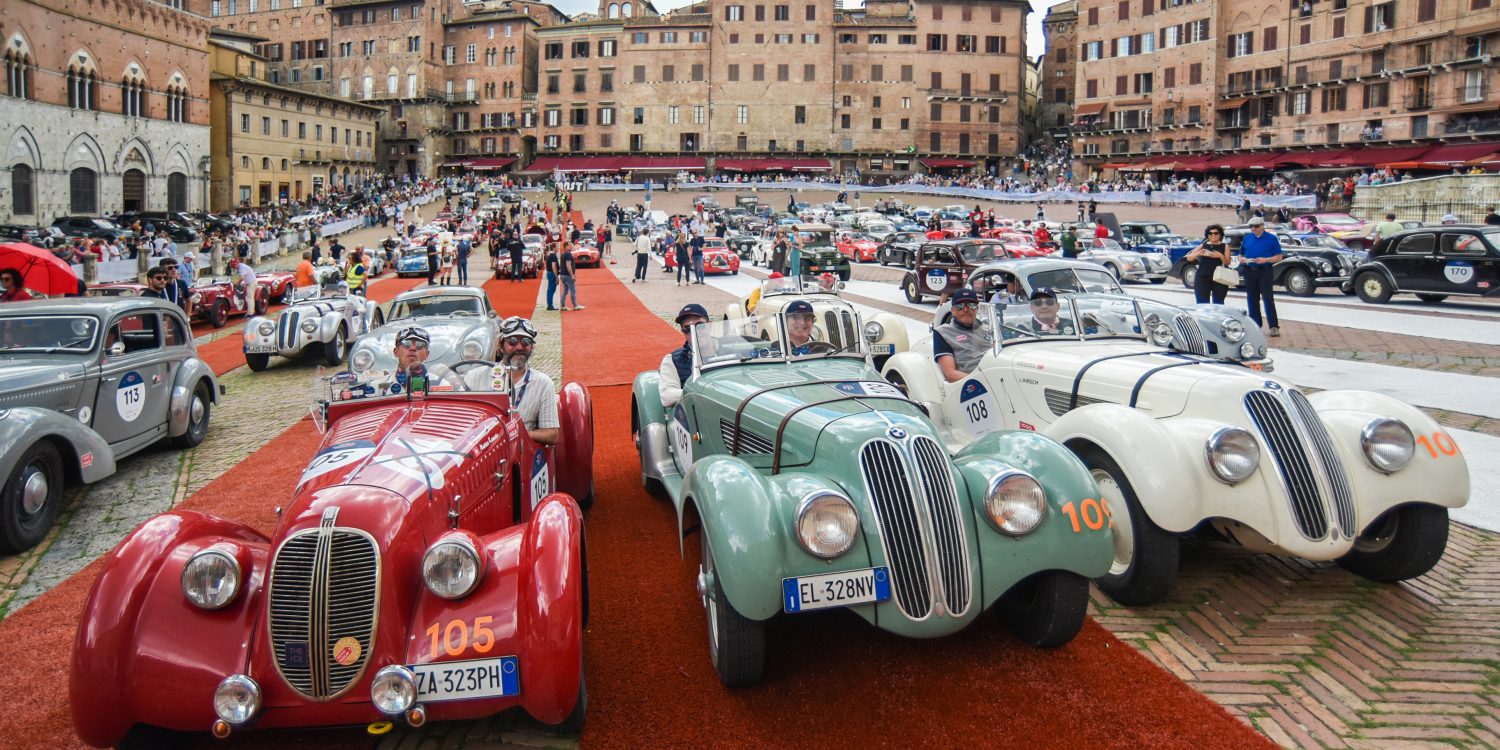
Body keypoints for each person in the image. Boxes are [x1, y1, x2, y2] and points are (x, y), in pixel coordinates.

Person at [463, 317, 559, 445]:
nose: (519, 347)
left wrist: (516, 432)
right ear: (501, 346)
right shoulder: (474, 376)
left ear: (531, 348)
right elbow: (462, 423)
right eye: (512, 341)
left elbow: (552, 434)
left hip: (522, 453)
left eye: (525, 342)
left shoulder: (543, 383)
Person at [933, 289, 993, 382]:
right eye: (960, 306)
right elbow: (950, 374)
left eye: (971, 305)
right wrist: (985, 381)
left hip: (997, 375)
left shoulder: (989, 329)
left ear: (977, 308)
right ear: (953, 310)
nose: (965, 309)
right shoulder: (943, 333)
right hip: (971, 385)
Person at [375, 326, 456, 393]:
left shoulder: (441, 385)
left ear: (426, 354)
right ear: (396, 352)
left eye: (419, 344)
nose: (413, 348)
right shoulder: (378, 387)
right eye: (407, 343)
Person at [1239, 217, 1283, 337]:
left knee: (1268, 298)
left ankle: (1273, 326)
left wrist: (1266, 260)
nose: (1253, 229)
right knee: (1252, 299)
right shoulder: (1247, 238)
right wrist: (1242, 259)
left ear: (1262, 226)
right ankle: (1255, 325)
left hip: (1265, 271)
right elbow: (1240, 254)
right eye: (1251, 227)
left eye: (1256, 226)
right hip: (1249, 270)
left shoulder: (1271, 239)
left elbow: (1279, 257)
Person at [659, 303, 708, 408]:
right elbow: (667, 396)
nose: (694, 331)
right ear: (683, 332)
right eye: (688, 328)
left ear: (709, 325)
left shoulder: (729, 351)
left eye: (700, 326)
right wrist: (703, 393)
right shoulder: (672, 360)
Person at [1186, 224, 1233, 304]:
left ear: (1220, 234)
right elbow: (1189, 258)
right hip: (1202, 277)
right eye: (1210, 233)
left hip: (1219, 278)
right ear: (1207, 235)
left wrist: (1220, 256)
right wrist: (1199, 253)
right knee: (1202, 304)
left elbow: (1226, 263)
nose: (1213, 235)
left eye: (1216, 233)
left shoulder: (1225, 246)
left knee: (1218, 304)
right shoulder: (1203, 245)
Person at [558, 241, 583, 310]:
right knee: (573, 290)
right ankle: (575, 305)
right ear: (565, 247)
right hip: (568, 275)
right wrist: (572, 275)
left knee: (565, 291)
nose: (571, 246)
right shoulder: (568, 254)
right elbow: (568, 265)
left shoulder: (563, 254)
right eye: (569, 245)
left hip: (562, 275)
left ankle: (562, 305)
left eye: (571, 245)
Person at [544, 242, 560, 309]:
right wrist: (556, 277)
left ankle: (549, 305)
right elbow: (554, 267)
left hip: (549, 273)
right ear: (553, 248)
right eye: (557, 247)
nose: (558, 248)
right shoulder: (553, 256)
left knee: (550, 290)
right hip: (552, 274)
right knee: (551, 290)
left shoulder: (549, 255)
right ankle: (550, 306)